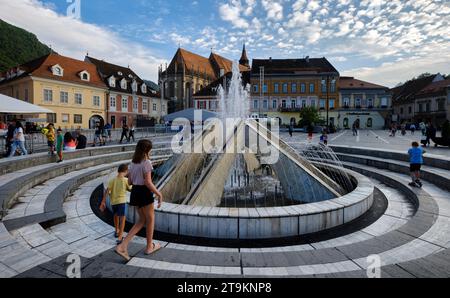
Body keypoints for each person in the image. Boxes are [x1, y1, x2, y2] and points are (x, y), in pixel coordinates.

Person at [115, 140, 163, 260]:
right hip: (144, 192)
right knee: (150, 220)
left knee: (141, 220)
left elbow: (130, 181)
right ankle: (149, 247)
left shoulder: (133, 163)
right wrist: (159, 194)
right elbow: (147, 182)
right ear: (147, 150)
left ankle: (123, 245)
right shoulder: (147, 163)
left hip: (135, 192)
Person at [100, 164, 132, 244]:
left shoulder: (112, 180)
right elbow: (130, 189)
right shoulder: (125, 180)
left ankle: (116, 230)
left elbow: (107, 191)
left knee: (115, 215)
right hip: (121, 202)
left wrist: (103, 202)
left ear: (118, 171)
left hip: (113, 202)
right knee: (122, 217)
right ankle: (120, 235)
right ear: (125, 171)